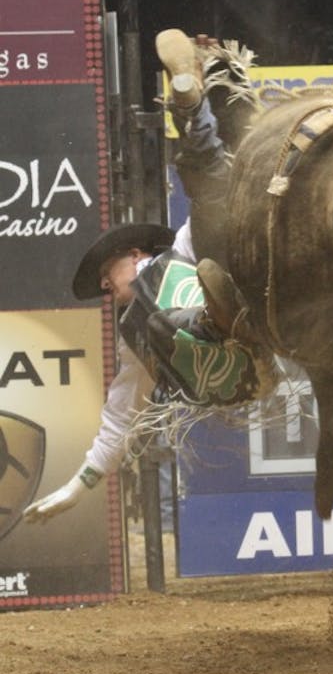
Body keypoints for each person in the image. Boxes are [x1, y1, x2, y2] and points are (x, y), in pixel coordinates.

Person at [23, 30, 272, 522]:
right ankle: (216, 320)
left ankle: (195, 98)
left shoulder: (178, 252)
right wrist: (77, 487)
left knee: (209, 185)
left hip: (250, 260)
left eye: (104, 273)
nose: (102, 288)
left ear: (134, 252)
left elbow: (212, 206)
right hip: (250, 353)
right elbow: (119, 420)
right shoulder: (136, 333)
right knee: (207, 194)